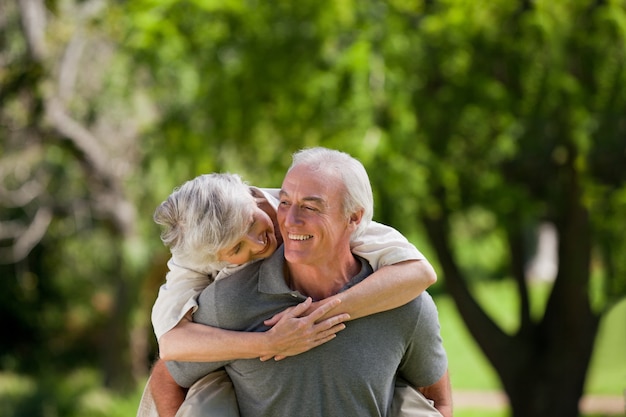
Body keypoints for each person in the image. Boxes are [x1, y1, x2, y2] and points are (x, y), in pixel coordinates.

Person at [166, 147, 452, 417]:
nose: (289, 220)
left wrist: (320, 314)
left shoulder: (404, 302)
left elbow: (436, 399)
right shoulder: (226, 302)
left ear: (353, 218)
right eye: (286, 202)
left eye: (310, 208)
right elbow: (169, 375)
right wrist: (267, 342)